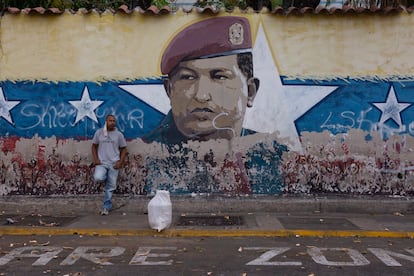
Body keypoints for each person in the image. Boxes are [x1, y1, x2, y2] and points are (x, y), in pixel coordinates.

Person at [143, 16, 260, 144]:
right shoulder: (145, 157)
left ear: (250, 91)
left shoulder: (275, 157)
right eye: (188, 77)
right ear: (169, 90)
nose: (201, 96)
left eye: (219, 77)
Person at [92, 114, 127, 215]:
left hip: (114, 164)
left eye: (114, 121)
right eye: (110, 121)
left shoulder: (118, 135)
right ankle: (105, 176)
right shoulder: (99, 133)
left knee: (111, 187)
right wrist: (96, 159)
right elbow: (94, 146)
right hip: (102, 163)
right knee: (98, 177)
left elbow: (124, 148)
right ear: (106, 121)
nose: (112, 122)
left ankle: (106, 207)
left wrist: (120, 162)